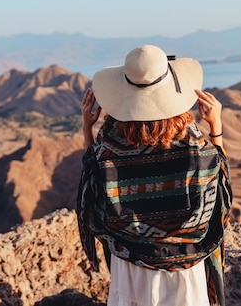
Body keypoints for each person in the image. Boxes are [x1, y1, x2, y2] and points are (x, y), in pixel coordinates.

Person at [77, 44, 232, 306]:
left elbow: (92, 185)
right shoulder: (197, 149)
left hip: (130, 268)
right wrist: (216, 127)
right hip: (185, 267)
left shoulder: (108, 146)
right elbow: (221, 190)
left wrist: (87, 128)